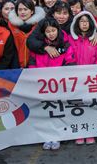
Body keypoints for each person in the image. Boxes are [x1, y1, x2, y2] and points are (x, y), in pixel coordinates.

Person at [28, 17, 75, 150]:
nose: (51, 34)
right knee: (46, 111)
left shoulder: (65, 44)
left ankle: (58, 135)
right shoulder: (38, 47)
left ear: (58, 30)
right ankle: (47, 136)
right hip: (42, 84)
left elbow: (70, 62)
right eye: (48, 31)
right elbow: (31, 63)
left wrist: (64, 77)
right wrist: (36, 78)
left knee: (59, 110)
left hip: (60, 84)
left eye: (53, 30)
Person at [8, 0, 45, 68]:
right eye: (20, 9)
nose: (22, 12)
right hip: (15, 65)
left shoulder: (40, 25)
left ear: (31, 11)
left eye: (25, 9)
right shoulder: (11, 25)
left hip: (34, 65)